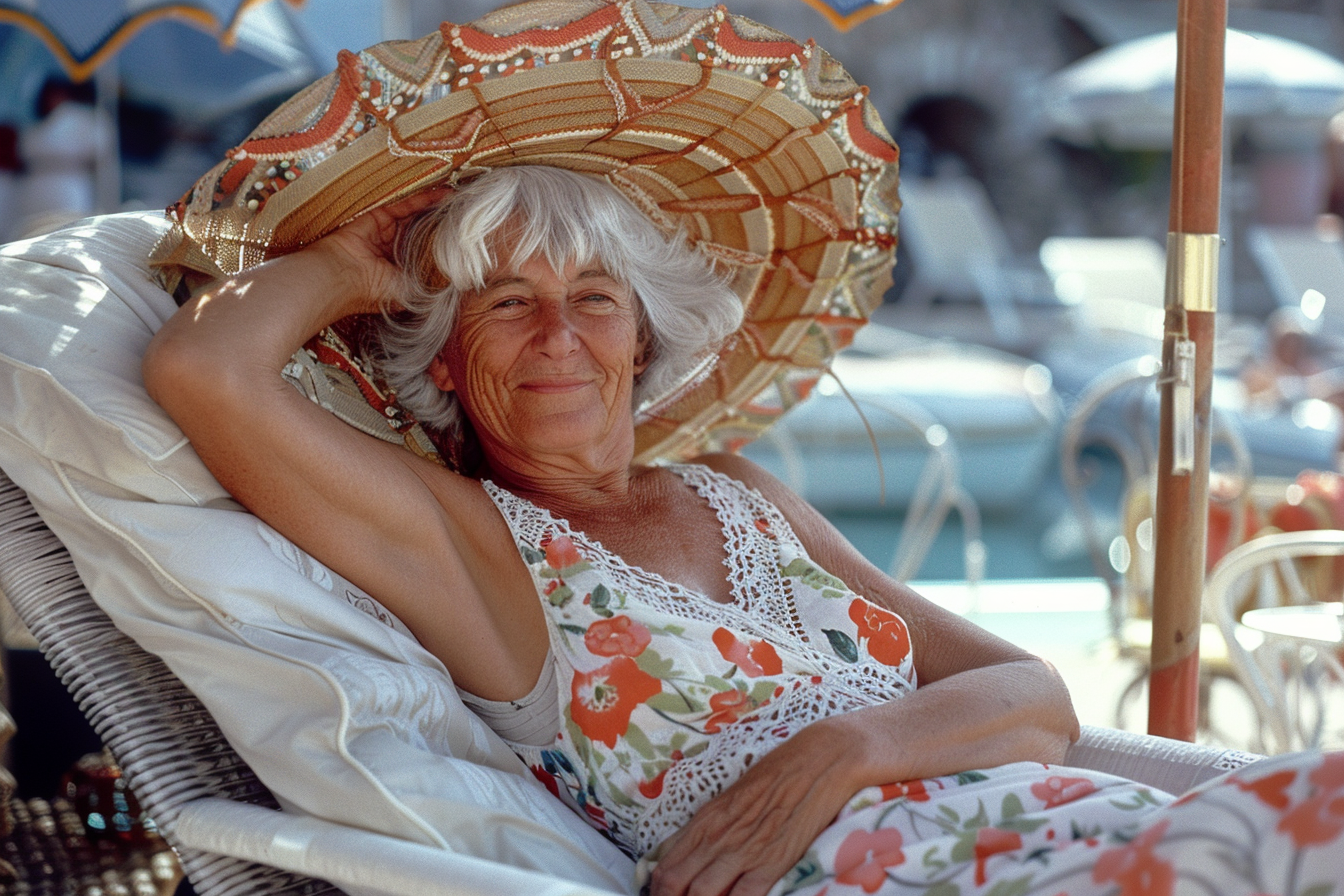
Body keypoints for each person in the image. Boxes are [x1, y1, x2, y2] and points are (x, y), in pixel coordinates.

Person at [141, 4, 1343, 894]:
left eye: (596, 297)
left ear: (644, 337)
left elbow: (1035, 691)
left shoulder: (737, 496)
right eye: (503, 301)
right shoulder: (473, 544)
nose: (559, 332)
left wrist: (847, 744)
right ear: (445, 358)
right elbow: (203, 370)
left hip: (1065, 818)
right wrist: (365, 264)